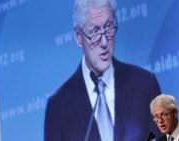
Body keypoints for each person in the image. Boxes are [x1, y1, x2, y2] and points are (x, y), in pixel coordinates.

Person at [44, 0, 161, 141]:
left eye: (108, 27)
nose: (104, 42)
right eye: (95, 32)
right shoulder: (59, 106)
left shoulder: (145, 85)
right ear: (78, 36)